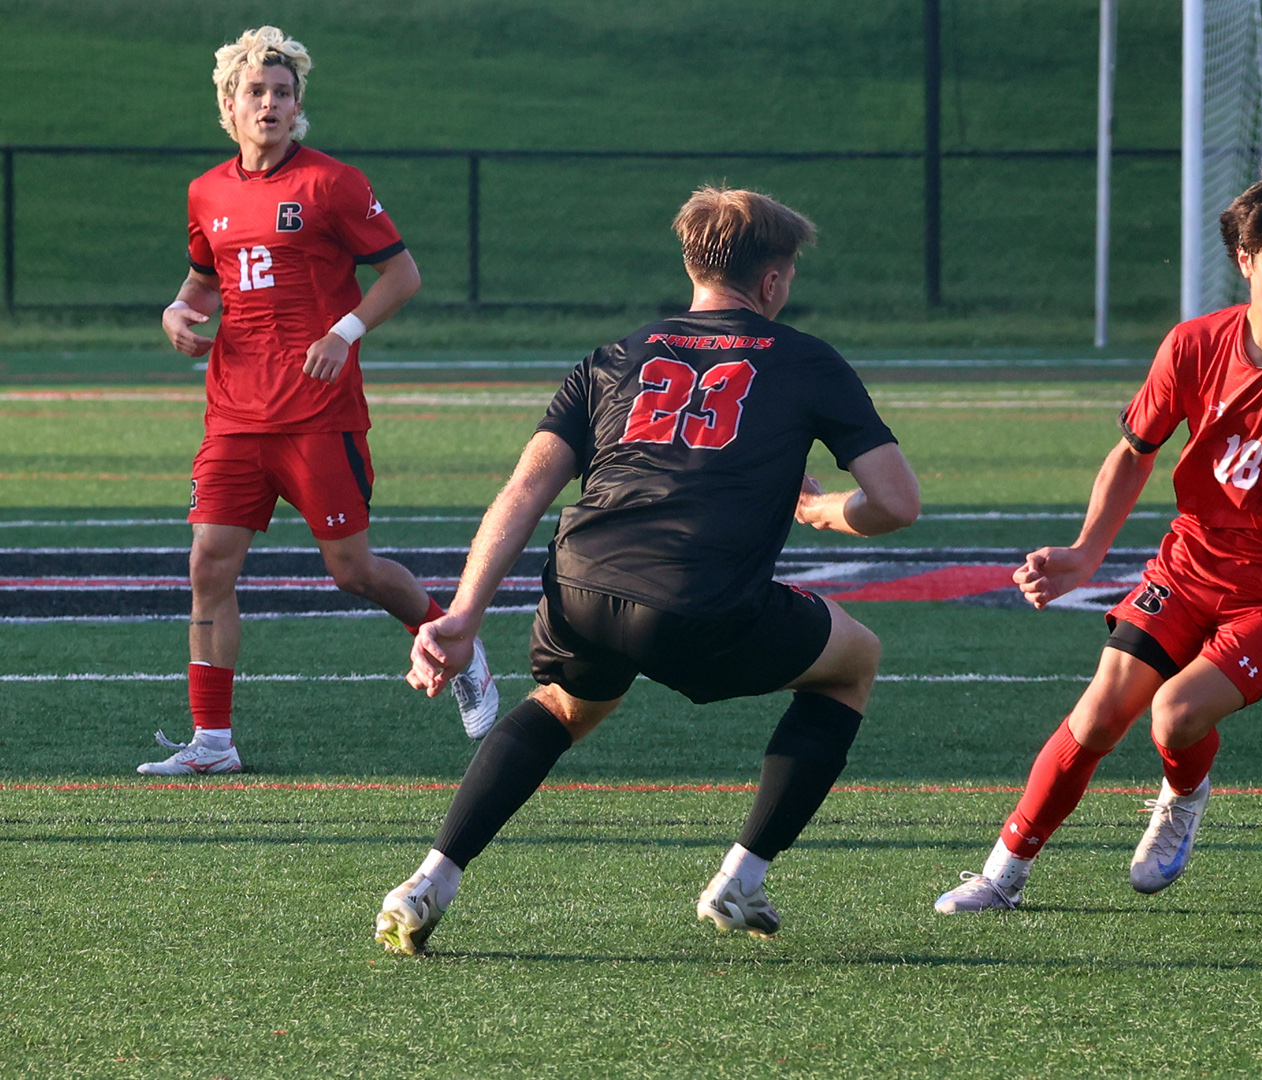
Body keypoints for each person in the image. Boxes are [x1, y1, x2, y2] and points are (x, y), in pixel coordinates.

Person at [374, 186, 920, 955]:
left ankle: (431, 878)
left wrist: (462, 614)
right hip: (699, 602)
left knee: (567, 706)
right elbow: (897, 502)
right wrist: (825, 512)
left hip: (584, 584)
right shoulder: (805, 360)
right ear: (771, 282)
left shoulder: (614, 356)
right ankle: (743, 878)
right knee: (853, 662)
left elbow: (526, 488)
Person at [935, 164, 1262, 913]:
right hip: (1190, 563)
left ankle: (1184, 792)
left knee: (1174, 714)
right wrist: (1086, 552)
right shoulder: (1192, 346)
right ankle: (1001, 875)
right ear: (1245, 261)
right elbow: (1134, 451)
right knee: (1101, 710)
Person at [146, 26, 496, 776]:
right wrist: (179, 311)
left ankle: (457, 644)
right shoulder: (205, 191)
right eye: (255, 93)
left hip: (317, 411)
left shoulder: (332, 183)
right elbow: (205, 276)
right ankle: (213, 742)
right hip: (234, 412)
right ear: (229, 105)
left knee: (353, 571)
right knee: (209, 562)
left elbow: (401, 276)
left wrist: (344, 330)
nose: (269, 105)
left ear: (297, 104)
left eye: (282, 93)